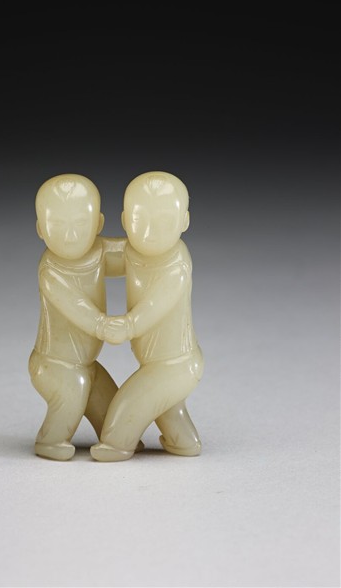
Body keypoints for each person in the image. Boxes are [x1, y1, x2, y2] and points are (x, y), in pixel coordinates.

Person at [91, 171, 204, 462]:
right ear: (126, 221)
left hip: (174, 364)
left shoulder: (176, 266)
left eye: (165, 221)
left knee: (129, 407)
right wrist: (77, 243)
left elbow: (154, 306)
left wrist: (128, 326)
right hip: (157, 362)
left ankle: (116, 445)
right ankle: (183, 442)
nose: (152, 232)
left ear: (184, 222)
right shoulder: (133, 251)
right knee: (167, 410)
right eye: (141, 221)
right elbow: (99, 256)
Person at [29, 173, 128, 461]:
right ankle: (51, 440)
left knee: (114, 414)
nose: (70, 236)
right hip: (55, 364)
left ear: (98, 224)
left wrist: (159, 246)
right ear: (41, 229)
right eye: (58, 225)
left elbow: (131, 254)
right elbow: (76, 306)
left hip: (86, 364)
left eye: (81, 224)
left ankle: (117, 438)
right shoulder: (51, 270)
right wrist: (103, 325)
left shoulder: (99, 252)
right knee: (74, 389)